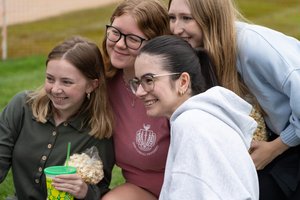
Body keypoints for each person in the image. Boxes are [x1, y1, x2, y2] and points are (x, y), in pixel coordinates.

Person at [168, 0, 300, 199]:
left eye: (187, 18)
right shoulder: (202, 52)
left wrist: (275, 148)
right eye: (172, 18)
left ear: (211, 17)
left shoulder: (253, 46)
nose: (176, 28)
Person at [130, 34, 259, 200]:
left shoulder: (191, 125)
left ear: (183, 82)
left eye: (149, 80)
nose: (140, 92)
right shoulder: (203, 118)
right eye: (137, 82)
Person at [0, 36, 115, 199]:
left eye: (66, 82)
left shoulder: (99, 130)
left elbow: (99, 189)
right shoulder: (23, 106)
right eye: (50, 79)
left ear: (91, 85)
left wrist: (85, 192)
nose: (55, 89)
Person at [100, 0, 170, 199]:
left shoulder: (171, 89)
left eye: (133, 39)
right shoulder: (104, 83)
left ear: (156, 44)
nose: (120, 44)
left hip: (186, 189)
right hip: (141, 190)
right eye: (115, 32)